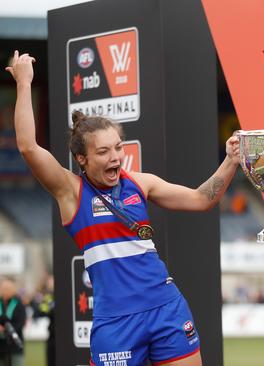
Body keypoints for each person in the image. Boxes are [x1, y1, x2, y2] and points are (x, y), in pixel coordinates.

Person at [6, 51, 241, 366]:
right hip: (115, 323)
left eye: (118, 147)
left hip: (166, 308)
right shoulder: (70, 191)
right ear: (82, 159)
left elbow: (201, 199)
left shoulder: (140, 183)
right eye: (103, 151)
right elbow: (28, 147)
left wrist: (230, 160)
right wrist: (24, 83)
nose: (115, 157)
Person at [0, 278, 26, 366]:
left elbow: (20, 323)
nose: (4, 291)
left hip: (15, 345)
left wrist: (5, 329)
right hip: (1, 346)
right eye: (3, 288)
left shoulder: (18, 304)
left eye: (7, 289)